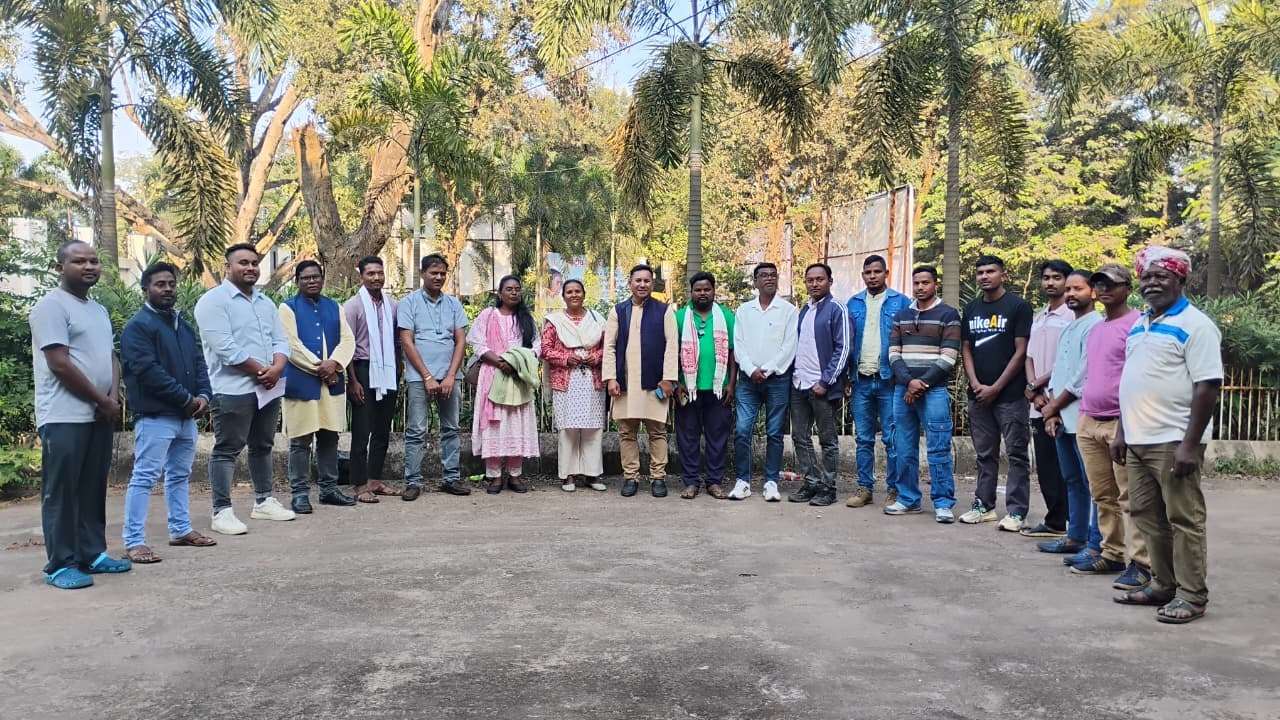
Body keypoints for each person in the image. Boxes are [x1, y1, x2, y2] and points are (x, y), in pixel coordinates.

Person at [1112, 247, 1222, 624]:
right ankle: (1163, 584)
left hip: (1173, 440)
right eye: (1146, 277)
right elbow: (1132, 382)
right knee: (1146, 514)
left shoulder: (1196, 325)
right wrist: (1121, 431)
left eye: (1162, 276)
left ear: (1180, 279)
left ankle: (1192, 595)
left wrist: (1190, 445)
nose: (1152, 283)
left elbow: (1207, 386)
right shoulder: (1140, 324)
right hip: (1137, 439)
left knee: (1184, 518)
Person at [30, 241, 132, 589]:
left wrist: (112, 397)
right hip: (64, 415)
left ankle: (92, 553)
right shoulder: (51, 306)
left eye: (93, 261)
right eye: (79, 261)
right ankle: (61, 564)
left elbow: (110, 357)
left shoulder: (98, 310)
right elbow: (59, 363)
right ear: (60, 267)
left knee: (92, 487)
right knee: (62, 491)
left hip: (98, 414)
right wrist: (101, 400)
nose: (89, 266)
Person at [195, 243, 296, 535]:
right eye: (243, 263)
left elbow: (281, 340)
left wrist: (277, 368)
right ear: (227, 267)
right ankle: (221, 511)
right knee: (227, 449)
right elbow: (225, 348)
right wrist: (264, 371)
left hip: (268, 387)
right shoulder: (213, 301)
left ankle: (263, 501)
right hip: (232, 389)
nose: (250, 267)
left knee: (263, 445)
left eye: (254, 263)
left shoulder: (265, 302)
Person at [120, 262, 217, 564]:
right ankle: (134, 541)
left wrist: (203, 396)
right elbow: (147, 371)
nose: (167, 289)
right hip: (156, 416)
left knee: (179, 475)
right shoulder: (138, 327)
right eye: (160, 284)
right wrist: (186, 399)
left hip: (186, 417)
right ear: (145, 289)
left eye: (171, 284)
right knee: (144, 477)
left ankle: (181, 530)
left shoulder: (182, 325)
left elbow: (199, 363)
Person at [1072, 263, 1151, 589]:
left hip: (1121, 423)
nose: (1104, 289)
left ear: (1127, 288)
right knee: (1103, 495)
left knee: (1131, 497)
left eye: (1111, 284)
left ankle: (1141, 563)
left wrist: (1128, 425)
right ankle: (1112, 552)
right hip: (1090, 420)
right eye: (1099, 284)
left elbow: (1141, 377)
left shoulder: (1137, 325)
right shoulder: (1097, 328)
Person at [959, 254, 1034, 530]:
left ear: (1003, 274)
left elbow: (1021, 351)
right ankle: (984, 505)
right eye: (980, 272)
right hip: (978, 395)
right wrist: (975, 383)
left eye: (990, 271)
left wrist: (996, 387)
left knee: (1016, 454)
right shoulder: (971, 308)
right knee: (984, 454)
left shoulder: (1018, 307)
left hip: (1010, 396)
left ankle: (1016, 511)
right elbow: (966, 348)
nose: (984, 276)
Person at [1036, 270, 1104, 561]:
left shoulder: (1096, 326)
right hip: (1061, 416)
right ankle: (1075, 536)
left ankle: (1096, 542)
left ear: (1093, 292)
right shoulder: (1069, 327)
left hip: (1083, 417)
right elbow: (1059, 372)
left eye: (1078, 289)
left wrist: (1054, 407)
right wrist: (1052, 411)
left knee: (1093, 483)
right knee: (1072, 479)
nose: (1071, 294)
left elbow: (1082, 376)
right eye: (1068, 290)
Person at [885, 266, 962, 522]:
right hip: (903, 390)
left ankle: (943, 502)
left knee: (938, 447)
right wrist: (909, 382)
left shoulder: (948, 315)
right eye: (916, 282)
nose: (920, 287)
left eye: (925, 282)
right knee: (903, 447)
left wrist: (921, 384)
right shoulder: (902, 315)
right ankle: (908, 498)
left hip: (934, 390)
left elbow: (949, 356)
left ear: (935, 284)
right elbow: (893, 353)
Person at [279, 261, 357, 513]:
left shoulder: (335, 307)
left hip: (332, 384)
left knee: (329, 438)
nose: (311, 281)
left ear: (322, 279)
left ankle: (329, 490)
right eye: (305, 278)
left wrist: (335, 364)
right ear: (297, 281)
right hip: (302, 383)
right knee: (300, 441)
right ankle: (300, 494)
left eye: (316, 277)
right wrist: (322, 368)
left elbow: (348, 340)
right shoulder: (287, 308)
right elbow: (291, 346)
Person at [603, 264, 678, 498]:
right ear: (630, 283)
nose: (642, 284)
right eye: (638, 280)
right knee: (627, 432)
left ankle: (658, 477)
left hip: (655, 383)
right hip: (625, 383)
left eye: (647, 280)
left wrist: (668, 379)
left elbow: (672, 346)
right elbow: (609, 346)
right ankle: (630, 477)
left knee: (657, 432)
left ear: (652, 283)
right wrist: (611, 378)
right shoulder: (618, 311)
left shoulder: (664, 311)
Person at [398, 254, 470, 501]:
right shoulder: (408, 303)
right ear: (422, 274)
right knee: (416, 430)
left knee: (451, 428)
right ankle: (413, 481)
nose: (438, 277)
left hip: (450, 376)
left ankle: (451, 479)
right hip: (419, 377)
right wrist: (427, 376)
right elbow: (407, 341)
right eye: (433, 273)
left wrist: (450, 375)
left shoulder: (453, 304)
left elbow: (460, 341)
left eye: (442, 273)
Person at [845, 254, 910, 509]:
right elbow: (847, 342)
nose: (872, 276)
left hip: (889, 381)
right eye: (868, 272)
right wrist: (847, 377)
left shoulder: (901, 302)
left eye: (877, 272)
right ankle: (865, 488)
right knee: (863, 439)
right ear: (863, 275)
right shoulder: (854, 303)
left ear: (886, 273)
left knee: (892, 438)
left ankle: (894, 489)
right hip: (861, 380)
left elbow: (907, 341)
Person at [729, 263, 798, 501]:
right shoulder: (744, 310)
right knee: (742, 430)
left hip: (777, 379)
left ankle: (771, 482)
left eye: (773, 275)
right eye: (763, 275)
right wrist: (751, 370)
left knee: (775, 433)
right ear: (755, 281)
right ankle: (743, 481)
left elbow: (789, 347)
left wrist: (767, 370)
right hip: (748, 380)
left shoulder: (788, 311)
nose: (769, 279)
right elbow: (738, 345)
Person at [468, 275, 541, 494]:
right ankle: (495, 476)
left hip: (518, 376)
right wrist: (501, 362)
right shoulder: (488, 315)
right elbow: (477, 343)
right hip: (492, 375)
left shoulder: (526, 319)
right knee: (495, 424)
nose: (514, 292)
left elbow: (537, 346)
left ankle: (515, 475)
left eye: (517, 289)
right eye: (509, 289)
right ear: (500, 293)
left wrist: (516, 362)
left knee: (516, 423)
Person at [788, 263, 850, 507]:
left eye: (819, 279)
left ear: (830, 282)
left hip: (822, 386)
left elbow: (843, 348)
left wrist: (825, 381)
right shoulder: (804, 310)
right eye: (810, 280)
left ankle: (828, 487)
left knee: (827, 439)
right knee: (799, 436)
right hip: (799, 384)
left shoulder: (837, 309)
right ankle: (811, 482)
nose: (814, 284)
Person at [1022, 260, 1074, 538]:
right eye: (1046, 277)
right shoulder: (1040, 315)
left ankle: (1074, 522)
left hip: (1063, 400)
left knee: (1068, 465)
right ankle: (1055, 520)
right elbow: (1029, 356)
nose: (1050, 282)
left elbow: (1070, 361)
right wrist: (1033, 389)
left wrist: (1038, 384)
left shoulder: (1073, 316)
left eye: (1056, 277)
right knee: (1046, 465)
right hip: (1039, 402)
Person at [344, 256, 401, 503]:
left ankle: (375, 480)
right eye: (370, 273)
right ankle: (359, 484)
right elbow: (346, 345)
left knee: (382, 428)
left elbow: (397, 341)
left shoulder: (392, 305)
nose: (376, 277)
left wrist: (398, 370)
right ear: (361, 276)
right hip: (363, 370)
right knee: (362, 429)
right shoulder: (353, 306)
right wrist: (352, 381)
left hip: (388, 370)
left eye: (380, 273)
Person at [674, 272, 736, 499]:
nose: (702, 293)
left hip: (719, 388)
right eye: (698, 290)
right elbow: (671, 352)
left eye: (707, 289)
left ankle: (714, 482)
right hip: (687, 389)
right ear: (691, 292)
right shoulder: (680, 317)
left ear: (713, 291)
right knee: (687, 438)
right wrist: (676, 382)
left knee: (717, 437)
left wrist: (732, 384)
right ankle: (691, 482)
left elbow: (733, 353)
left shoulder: (726, 316)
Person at [541, 279, 607, 492]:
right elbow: (545, 349)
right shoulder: (554, 321)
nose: (574, 295)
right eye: (569, 292)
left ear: (584, 294)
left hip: (592, 380)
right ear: (563, 296)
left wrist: (596, 357)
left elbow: (608, 346)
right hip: (566, 380)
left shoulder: (597, 319)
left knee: (593, 428)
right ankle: (568, 475)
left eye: (577, 291)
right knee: (568, 428)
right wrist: (565, 358)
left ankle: (592, 474)